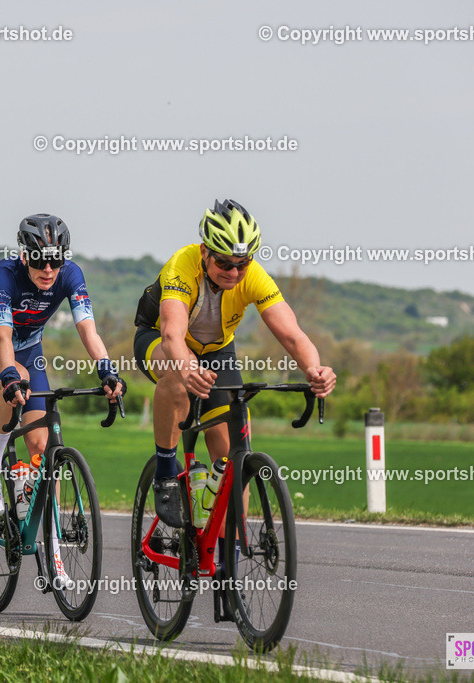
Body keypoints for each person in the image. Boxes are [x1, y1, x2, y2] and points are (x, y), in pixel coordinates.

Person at [134, 198, 336, 560]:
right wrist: (187, 368)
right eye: (224, 263)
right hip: (160, 341)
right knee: (179, 378)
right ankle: (166, 470)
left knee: (232, 453)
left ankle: (228, 549)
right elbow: (172, 337)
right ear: (205, 252)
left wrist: (314, 368)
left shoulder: (253, 276)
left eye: (241, 264)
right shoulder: (183, 266)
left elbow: (291, 333)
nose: (233, 272)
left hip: (216, 350)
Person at [0, 213, 124, 584]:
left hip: (30, 348)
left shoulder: (70, 275)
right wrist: (7, 375)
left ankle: (53, 557)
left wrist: (107, 370)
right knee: (14, 377)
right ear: (24, 256)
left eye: (56, 260)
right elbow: (2, 337)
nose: (48, 269)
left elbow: (87, 327)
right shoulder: (4, 275)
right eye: (39, 260)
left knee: (40, 448)